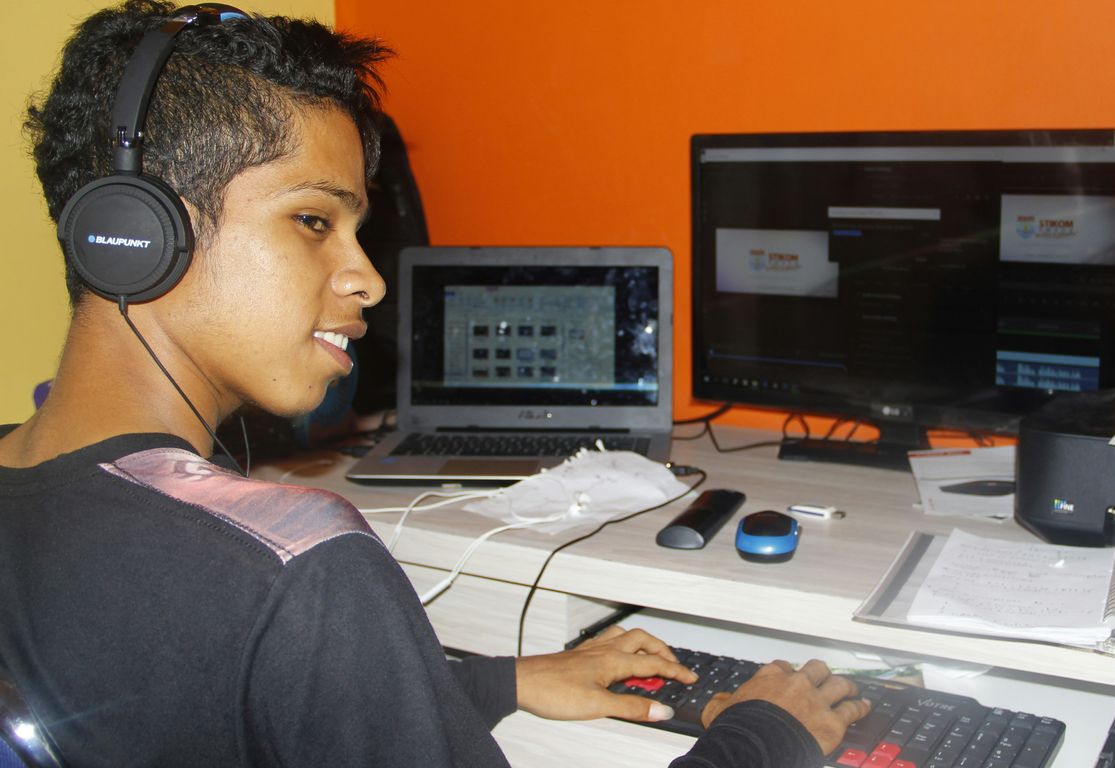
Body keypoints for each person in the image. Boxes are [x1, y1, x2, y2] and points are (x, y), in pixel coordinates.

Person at [0, 2, 870, 766]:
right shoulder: (300, 561)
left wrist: (492, 682)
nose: (370, 280)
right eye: (313, 220)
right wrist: (764, 735)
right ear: (134, 231)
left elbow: (198, 701)